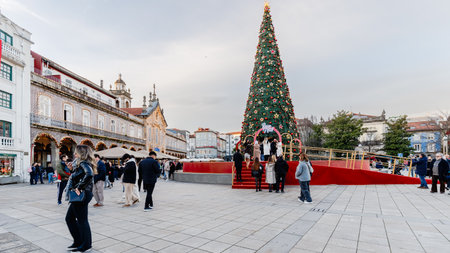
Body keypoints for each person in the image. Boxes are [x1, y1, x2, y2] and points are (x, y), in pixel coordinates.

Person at [65, 145, 95, 252]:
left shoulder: (83, 163)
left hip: (82, 194)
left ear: (81, 153)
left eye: (76, 152)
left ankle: (86, 245)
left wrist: (79, 187)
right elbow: (78, 176)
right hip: (82, 194)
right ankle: (78, 241)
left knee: (82, 220)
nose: (74, 154)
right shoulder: (81, 164)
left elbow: (89, 174)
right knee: (70, 218)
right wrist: (72, 170)